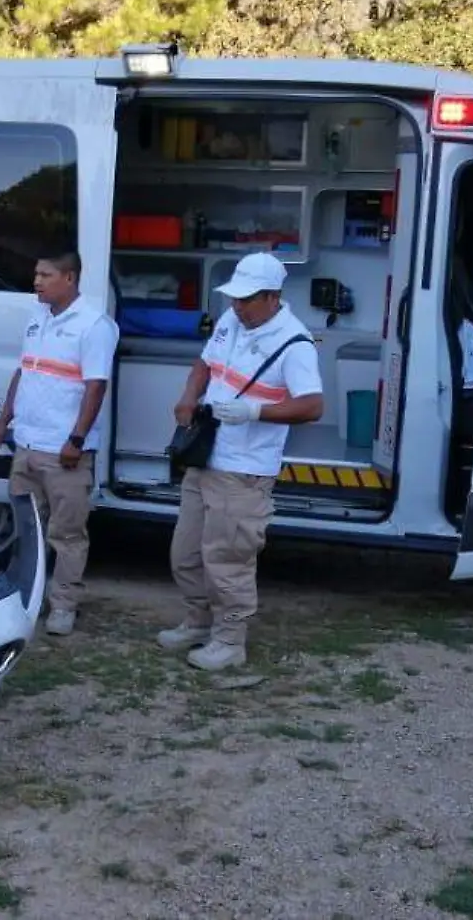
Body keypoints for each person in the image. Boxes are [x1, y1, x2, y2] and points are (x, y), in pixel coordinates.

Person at [158, 252, 324, 671]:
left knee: (229, 558)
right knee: (187, 551)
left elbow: (312, 406)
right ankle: (198, 622)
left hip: (244, 469)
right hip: (207, 456)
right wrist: (188, 396)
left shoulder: (295, 343)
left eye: (246, 300)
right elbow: (205, 363)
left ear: (272, 297)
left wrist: (256, 412)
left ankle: (230, 642)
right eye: (234, 298)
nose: (237, 306)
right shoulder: (234, 320)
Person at [0, 251, 118, 637]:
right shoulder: (37, 315)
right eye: (36, 273)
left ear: (70, 278)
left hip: (63, 452)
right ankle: (29, 595)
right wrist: (4, 418)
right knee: (28, 529)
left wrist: (76, 439)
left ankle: (63, 605)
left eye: (45, 274)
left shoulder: (94, 325)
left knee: (67, 534)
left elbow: (96, 386)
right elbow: (24, 369)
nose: (37, 281)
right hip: (26, 444)